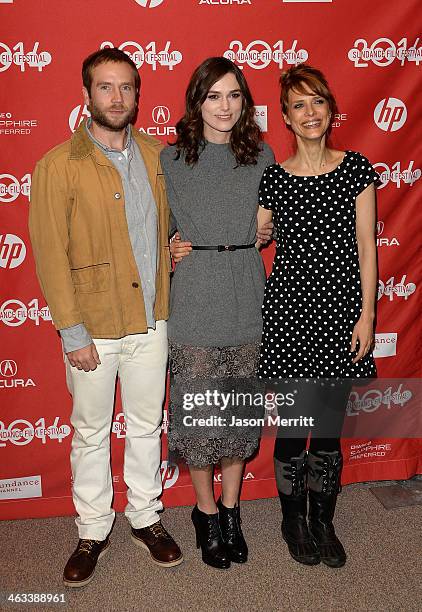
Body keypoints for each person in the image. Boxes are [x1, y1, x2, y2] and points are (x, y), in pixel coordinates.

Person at [29, 47, 182, 587]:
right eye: (105, 87)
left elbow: (160, 229)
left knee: (146, 424)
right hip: (91, 325)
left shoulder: (158, 155)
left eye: (126, 88)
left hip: (150, 320)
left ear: (138, 95)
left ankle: (145, 515)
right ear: (86, 95)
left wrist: (175, 246)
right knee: (91, 431)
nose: (116, 98)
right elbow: (49, 254)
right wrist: (72, 333)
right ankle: (93, 528)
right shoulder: (57, 165)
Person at [257, 64, 378, 568]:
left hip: (341, 315)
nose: (309, 113)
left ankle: (322, 520)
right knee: (292, 427)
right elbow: (252, 236)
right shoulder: (274, 178)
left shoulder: (356, 169)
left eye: (317, 103)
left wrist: (367, 314)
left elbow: (368, 247)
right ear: (284, 116)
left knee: (327, 427)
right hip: (289, 315)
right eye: (298, 105)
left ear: (331, 111)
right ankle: (292, 520)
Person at [160, 56, 275, 569]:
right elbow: (150, 222)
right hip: (196, 296)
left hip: (248, 291)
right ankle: (205, 513)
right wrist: (167, 246)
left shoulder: (262, 154)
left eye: (234, 95)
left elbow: (267, 224)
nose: (224, 106)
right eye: (213, 96)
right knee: (202, 416)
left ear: (244, 102)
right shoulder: (170, 158)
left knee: (239, 415)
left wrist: (265, 229)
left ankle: (232, 510)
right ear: (197, 102)